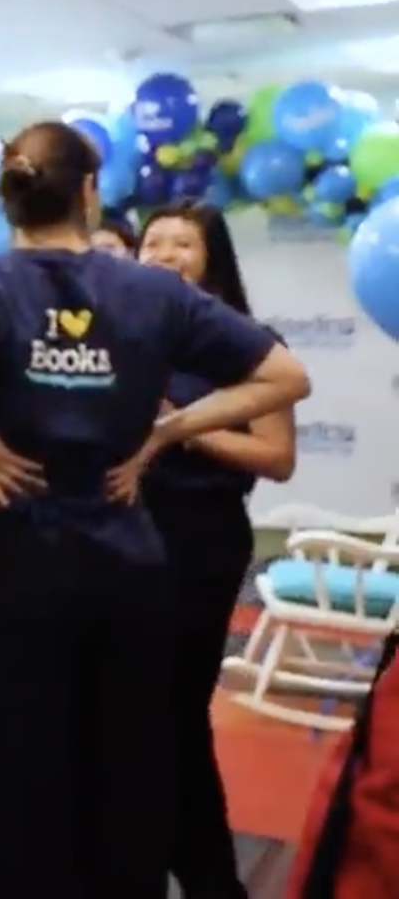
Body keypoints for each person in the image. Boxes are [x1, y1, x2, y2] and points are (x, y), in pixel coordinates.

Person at [0, 121, 310, 899]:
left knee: (16, 763)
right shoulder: (151, 290)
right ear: (90, 192)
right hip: (124, 566)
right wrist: (167, 431)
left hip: (16, 566)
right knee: (129, 760)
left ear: (9, 198)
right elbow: (286, 376)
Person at [138, 200, 295, 897]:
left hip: (200, 544)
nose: (165, 254)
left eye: (183, 244)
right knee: (136, 720)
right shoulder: (126, 336)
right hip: (120, 545)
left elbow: (276, 456)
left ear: (213, 259)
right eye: (153, 242)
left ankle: (211, 880)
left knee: (173, 721)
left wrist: (181, 429)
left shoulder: (248, 343)